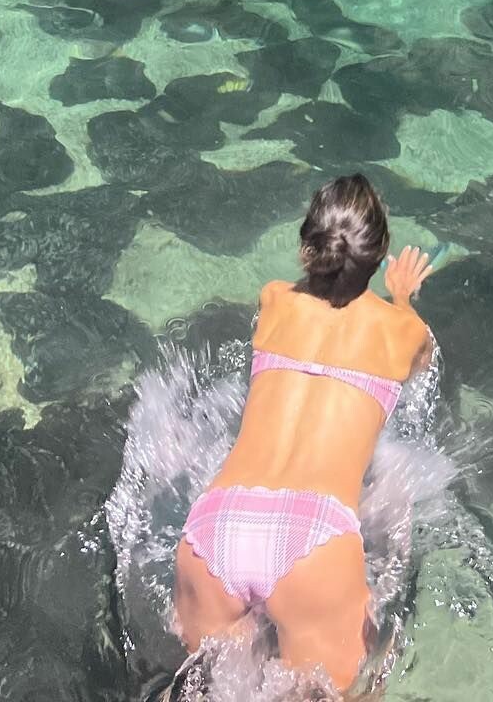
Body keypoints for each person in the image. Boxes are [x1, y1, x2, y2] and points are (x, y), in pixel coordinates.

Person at [175, 173, 434, 692]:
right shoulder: (404, 330)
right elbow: (421, 363)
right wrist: (403, 298)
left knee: (196, 689)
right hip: (314, 542)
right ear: (379, 255)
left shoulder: (273, 299)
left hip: (216, 525)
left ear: (306, 247)